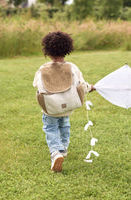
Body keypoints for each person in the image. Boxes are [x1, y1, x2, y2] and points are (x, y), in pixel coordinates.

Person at [33, 31, 95, 172]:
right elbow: (82, 85)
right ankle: (63, 149)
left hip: (50, 108)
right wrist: (91, 88)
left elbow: (36, 85)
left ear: (48, 52)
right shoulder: (72, 68)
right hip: (68, 106)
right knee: (64, 125)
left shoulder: (42, 69)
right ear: (67, 50)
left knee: (50, 128)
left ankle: (55, 153)